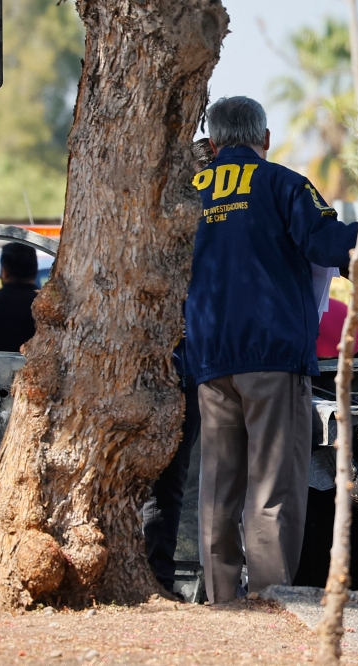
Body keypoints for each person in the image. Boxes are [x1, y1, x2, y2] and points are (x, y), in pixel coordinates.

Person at [185, 96, 358, 604]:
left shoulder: (188, 191)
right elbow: (334, 246)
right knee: (271, 493)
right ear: (264, 140)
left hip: (208, 359)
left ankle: (221, 602)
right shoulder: (283, 184)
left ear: (215, 143)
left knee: (218, 488)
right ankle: (269, 604)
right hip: (271, 357)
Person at [141, 138, 214, 594]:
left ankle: (159, 578)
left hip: (180, 373)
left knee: (166, 487)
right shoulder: (168, 236)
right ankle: (159, 577)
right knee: (165, 487)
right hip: (175, 373)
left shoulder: (176, 233)